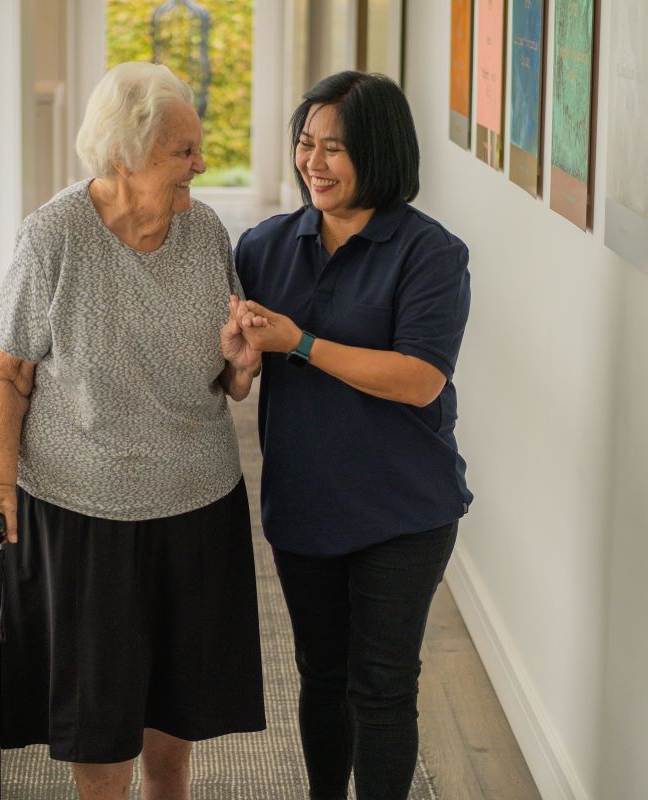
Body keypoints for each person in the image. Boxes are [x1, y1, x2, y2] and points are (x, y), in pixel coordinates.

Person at [0, 61, 266, 800]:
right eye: (182, 151)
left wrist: (238, 365)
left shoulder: (203, 233)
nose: (200, 164)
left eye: (198, 146)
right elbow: (2, 370)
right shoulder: (54, 238)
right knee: (101, 731)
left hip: (197, 507)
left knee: (175, 726)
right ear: (123, 156)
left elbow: (225, 378)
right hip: (83, 516)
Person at [233, 71, 472, 800]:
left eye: (336, 149)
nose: (315, 163)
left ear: (381, 152)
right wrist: (238, 365)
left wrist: (301, 342)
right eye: (306, 144)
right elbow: (238, 375)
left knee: (382, 687)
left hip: (405, 510)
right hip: (305, 503)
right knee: (323, 676)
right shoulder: (262, 248)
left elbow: (419, 379)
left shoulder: (431, 254)